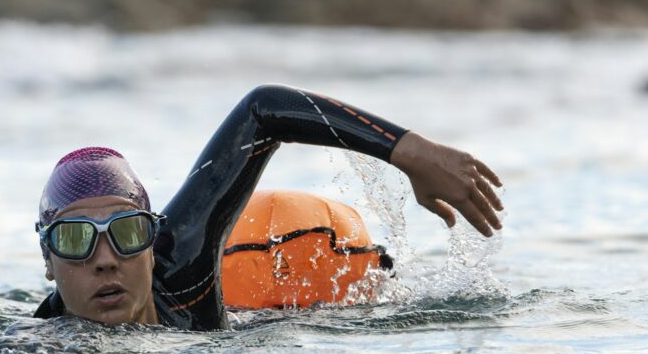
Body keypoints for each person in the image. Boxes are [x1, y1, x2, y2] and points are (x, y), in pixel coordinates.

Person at [33, 84, 503, 331]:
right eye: (75, 240)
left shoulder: (184, 264)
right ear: (48, 263)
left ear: (155, 243)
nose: (107, 259)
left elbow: (260, 111)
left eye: (128, 232)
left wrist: (411, 153)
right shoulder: (36, 348)